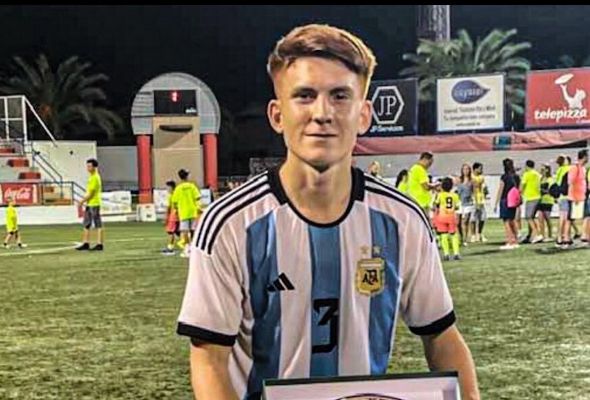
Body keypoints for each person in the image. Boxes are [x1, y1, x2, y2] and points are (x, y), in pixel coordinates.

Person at [176, 24, 479, 400]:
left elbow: (441, 335)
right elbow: (209, 358)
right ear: (277, 115)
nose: (322, 113)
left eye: (340, 96)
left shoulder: (403, 221)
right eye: (304, 96)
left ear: (364, 115)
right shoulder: (230, 225)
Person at [171, 169, 202, 258]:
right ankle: (193, 247)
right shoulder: (192, 186)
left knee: (184, 231)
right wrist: (198, 208)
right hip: (193, 211)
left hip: (183, 212)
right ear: (187, 176)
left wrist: (176, 210)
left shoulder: (178, 188)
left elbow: (174, 201)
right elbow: (197, 198)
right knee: (193, 230)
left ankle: (187, 248)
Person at [562, 149, 588, 249]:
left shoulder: (582, 168)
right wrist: (575, 197)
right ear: (584, 157)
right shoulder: (575, 168)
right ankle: (566, 240)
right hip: (575, 198)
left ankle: (572, 239)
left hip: (581, 197)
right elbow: (571, 183)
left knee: (582, 217)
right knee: (570, 219)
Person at [76, 158, 103, 251]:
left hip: (94, 203)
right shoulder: (91, 177)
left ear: (94, 167)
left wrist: (82, 201)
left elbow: (91, 194)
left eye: (89, 166)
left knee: (98, 224)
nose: (88, 168)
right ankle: (86, 242)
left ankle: (99, 243)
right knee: (86, 224)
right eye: (87, 166)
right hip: (90, 203)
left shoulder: (95, 178)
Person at [494, 158, 520, 250]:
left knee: (506, 221)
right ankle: (515, 240)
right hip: (513, 200)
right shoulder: (516, 176)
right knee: (512, 220)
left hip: (505, 200)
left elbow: (501, 190)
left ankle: (509, 241)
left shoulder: (504, 177)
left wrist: (496, 203)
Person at [434, 177, 461, 261]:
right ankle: (456, 253)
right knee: (453, 234)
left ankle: (446, 254)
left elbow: (436, 205)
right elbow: (457, 206)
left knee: (444, 235)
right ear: (451, 186)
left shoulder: (440, 195)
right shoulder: (455, 195)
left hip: (442, 216)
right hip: (451, 216)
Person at [520, 160, 543, 244]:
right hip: (538, 197)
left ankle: (536, 234)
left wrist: (519, 193)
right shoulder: (537, 174)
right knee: (532, 217)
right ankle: (531, 235)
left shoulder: (527, 174)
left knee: (528, 217)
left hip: (530, 197)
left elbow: (522, 186)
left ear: (527, 166)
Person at [455, 163, 474, 246]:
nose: (466, 171)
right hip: (459, 202)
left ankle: (465, 239)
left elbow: (473, 191)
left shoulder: (472, 181)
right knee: (457, 222)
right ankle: (461, 236)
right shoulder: (459, 180)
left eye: (467, 169)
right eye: (464, 169)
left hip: (468, 203)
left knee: (465, 221)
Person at [161, 180, 180, 255]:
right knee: (178, 232)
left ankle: (170, 247)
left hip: (174, 217)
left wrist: (166, 218)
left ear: (171, 187)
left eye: (168, 188)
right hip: (177, 216)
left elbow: (169, 208)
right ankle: (189, 245)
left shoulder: (173, 195)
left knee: (171, 232)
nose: (167, 189)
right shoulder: (176, 194)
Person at [471, 162, 487, 242]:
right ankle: (473, 235)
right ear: (475, 169)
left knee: (482, 218)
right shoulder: (471, 177)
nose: (481, 170)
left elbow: (484, 187)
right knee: (473, 218)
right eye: (480, 168)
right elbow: (473, 186)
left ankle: (480, 234)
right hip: (473, 199)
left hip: (481, 199)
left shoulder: (482, 177)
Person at [538, 164, 555, 241]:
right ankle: (542, 235)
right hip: (541, 200)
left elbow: (551, 190)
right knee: (540, 218)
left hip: (548, 200)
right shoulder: (541, 179)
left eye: (543, 169)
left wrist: (543, 191)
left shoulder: (550, 179)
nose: (541, 171)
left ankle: (550, 235)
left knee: (547, 218)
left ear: (547, 170)